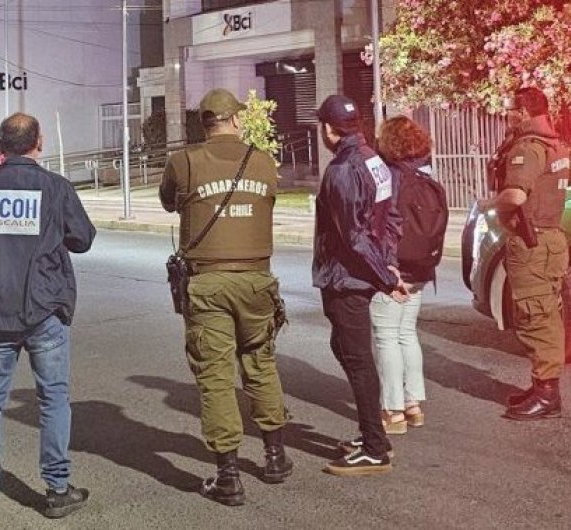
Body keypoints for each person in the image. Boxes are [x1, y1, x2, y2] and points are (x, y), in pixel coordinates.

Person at [0, 112, 96, 520]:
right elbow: (83, 238)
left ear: (1, 146)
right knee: (53, 399)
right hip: (44, 310)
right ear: (38, 143)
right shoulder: (55, 188)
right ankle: (57, 489)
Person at [159, 88, 292, 506]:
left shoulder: (183, 161)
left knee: (215, 377)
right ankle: (275, 457)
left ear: (205, 123)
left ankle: (229, 476)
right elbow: (268, 201)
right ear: (236, 119)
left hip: (208, 283)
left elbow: (168, 202)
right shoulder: (264, 161)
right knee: (261, 364)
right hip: (256, 280)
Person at [312, 95, 409, 476]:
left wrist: (386, 277)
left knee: (356, 358)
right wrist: (388, 263)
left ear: (328, 129)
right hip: (361, 272)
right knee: (345, 348)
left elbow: (353, 237)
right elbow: (391, 218)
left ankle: (374, 447)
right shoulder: (374, 160)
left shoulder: (341, 171)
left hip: (346, 277)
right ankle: (373, 435)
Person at [479, 87, 569, 421]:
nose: (506, 116)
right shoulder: (554, 143)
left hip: (531, 243)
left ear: (524, 112)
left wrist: (491, 204)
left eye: (510, 110)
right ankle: (542, 386)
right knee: (546, 313)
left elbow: (515, 196)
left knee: (535, 318)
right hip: (549, 240)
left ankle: (547, 395)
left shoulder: (529, 148)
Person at [372, 116, 443, 434]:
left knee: (386, 336)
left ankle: (393, 410)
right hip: (422, 269)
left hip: (395, 269)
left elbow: (382, 226)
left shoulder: (388, 178)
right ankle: (414, 404)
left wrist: (385, 268)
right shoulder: (426, 176)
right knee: (407, 333)